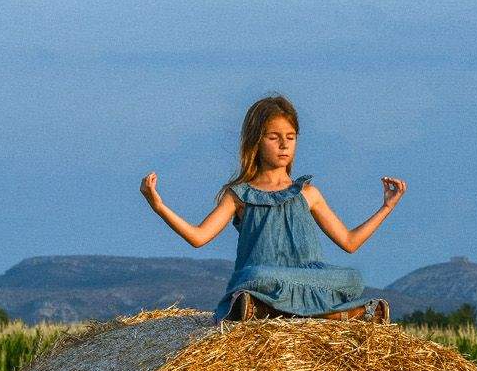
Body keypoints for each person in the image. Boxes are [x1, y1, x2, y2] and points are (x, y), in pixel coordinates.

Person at [138, 93, 405, 323]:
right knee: (255, 274)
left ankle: (271, 311)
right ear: (256, 142)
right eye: (274, 137)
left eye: (290, 137)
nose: (284, 144)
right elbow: (198, 237)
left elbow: (349, 242)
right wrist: (159, 206)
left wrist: (386, 207)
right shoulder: (240, 195)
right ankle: (334, 313)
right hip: (263, 280)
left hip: (308, 279)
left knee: (353, 279)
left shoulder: (308, 194)